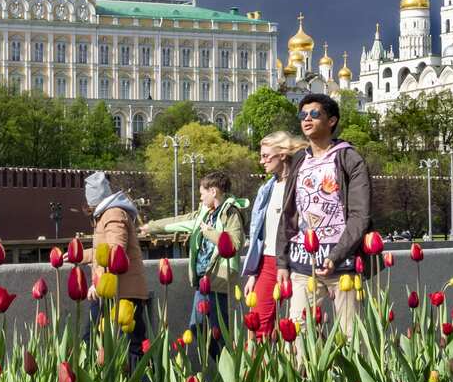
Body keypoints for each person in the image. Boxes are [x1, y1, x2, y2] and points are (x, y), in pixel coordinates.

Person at [275, 93, 372, 337]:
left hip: (342, 265)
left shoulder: (349, 158)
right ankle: (303, 376)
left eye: (314, 114)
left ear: (331, 121)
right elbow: (289, 213)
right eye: (303, 115)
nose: (306, 119)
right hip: (302, 264)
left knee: (350, 337)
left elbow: (360, 214)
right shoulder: (299, 160)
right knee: (296, 338)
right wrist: (282, 262)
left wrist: (337, 255)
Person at [140, 171, 246, 360]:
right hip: (203, 280)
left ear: (213, 191)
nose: (201, 197)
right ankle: (227, 369)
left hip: (220, 281)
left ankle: (232, 370)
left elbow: (235, 244)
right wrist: (152, 226)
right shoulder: (204, 213)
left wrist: (210, 233)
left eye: (202, 193)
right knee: (199, 328)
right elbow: (181, 221)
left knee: (216, 331)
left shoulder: (231, 213)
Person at [242, 131, 308, 338]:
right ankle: (259, 370)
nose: (261, 161)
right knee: (258, 327)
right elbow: (260, 235)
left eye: (266, 156)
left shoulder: (300, 183)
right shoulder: (267, 189)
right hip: (267, 261)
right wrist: (254, 273)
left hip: (295, 259)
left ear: (282, 154)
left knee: (299, 326)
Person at [82, 172, 150, 363]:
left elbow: (115, 251)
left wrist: (98, 284)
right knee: (123, 342)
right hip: (115, 289)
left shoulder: (113, 214)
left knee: (128, 344)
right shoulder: (109, 213)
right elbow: (104, 251)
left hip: (120, 290)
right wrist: (79, 255)